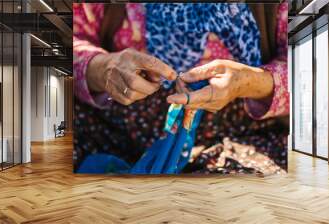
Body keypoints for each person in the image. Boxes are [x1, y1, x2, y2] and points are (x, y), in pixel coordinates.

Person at [73, 3, 289, 175]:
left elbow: (308, 71)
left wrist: (249, 81)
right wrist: (104, 68)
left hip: (241, 135)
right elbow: (70, 38)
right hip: (115, 123)